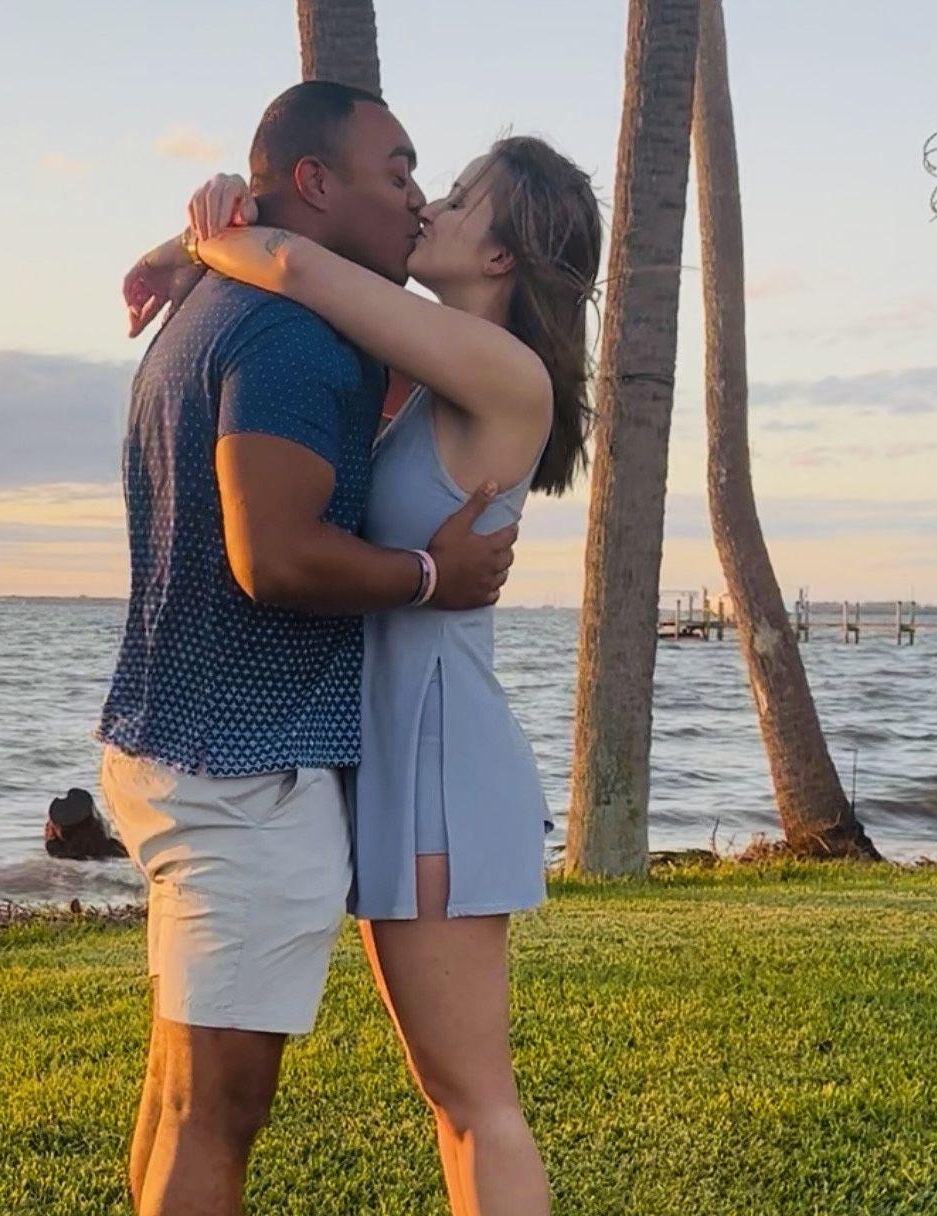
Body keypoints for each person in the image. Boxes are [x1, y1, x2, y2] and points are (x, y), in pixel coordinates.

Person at [144, 131, 602, 1216]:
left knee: (473, 1092)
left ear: (502, 257)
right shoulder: (432, 361)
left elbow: (301, 265)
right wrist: (196, 234)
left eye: (456, 197)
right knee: (449, 1093)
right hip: (401, 747)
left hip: (437, 759)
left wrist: (211, 240)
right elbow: (316, 253)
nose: (428, 206)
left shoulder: (504, 372)